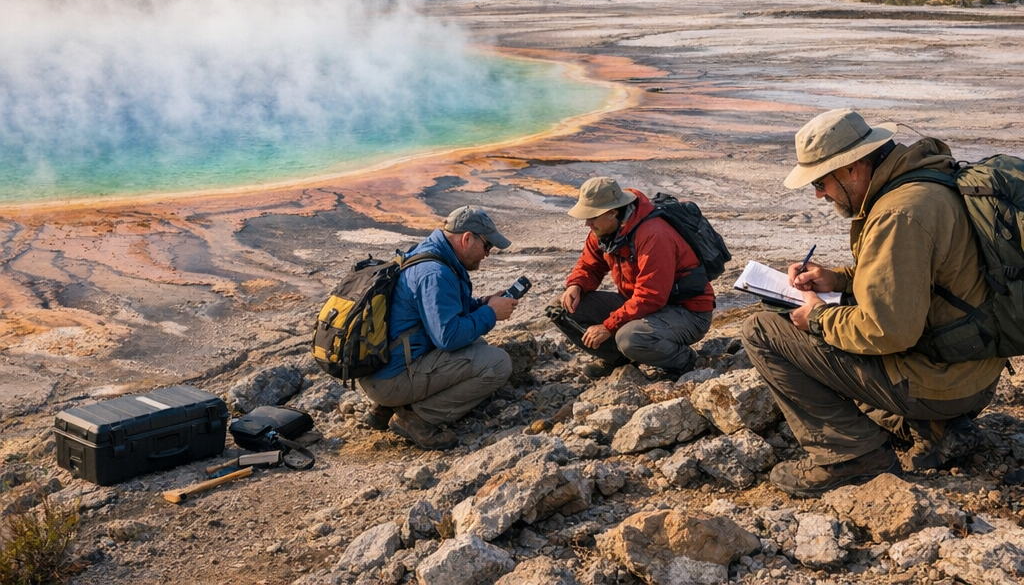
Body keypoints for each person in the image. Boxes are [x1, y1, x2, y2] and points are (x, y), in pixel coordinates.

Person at [742, 108, 1006, 497]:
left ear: (852, 167)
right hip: (974, 373)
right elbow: (922, 279)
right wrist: (838, 279)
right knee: (836, 350)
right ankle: (937, 428)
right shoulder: (926, 180)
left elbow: (888, 331)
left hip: (943, 384)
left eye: (820, 181)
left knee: (762, 330)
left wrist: (819, 317)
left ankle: (851, 458)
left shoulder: (898, 214)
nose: (818, 193)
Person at [358, 205, 518, 450]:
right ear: (467, 239)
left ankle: (387, 408)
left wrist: (483, 304)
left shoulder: (432, 254)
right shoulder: (435, 273)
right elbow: (449, 337)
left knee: (478, 344)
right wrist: (490, 313)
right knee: (497, 364)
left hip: (384, 369)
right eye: (487, 246)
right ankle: (416, 418)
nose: (488, 253)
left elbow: (441, 312)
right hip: (391, 379)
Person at [555, 176, 714, 379]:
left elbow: (651, 296)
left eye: (592, 216)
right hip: (641, 305)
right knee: (562, 308)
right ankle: (619, 361)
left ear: (612, 213)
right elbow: (590, 265)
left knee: (630, 338)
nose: (587, 223)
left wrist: (608, 326)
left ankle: (683, 361)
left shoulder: (653, 235)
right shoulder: (604, 229)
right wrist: (576, 284)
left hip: (687, 312)